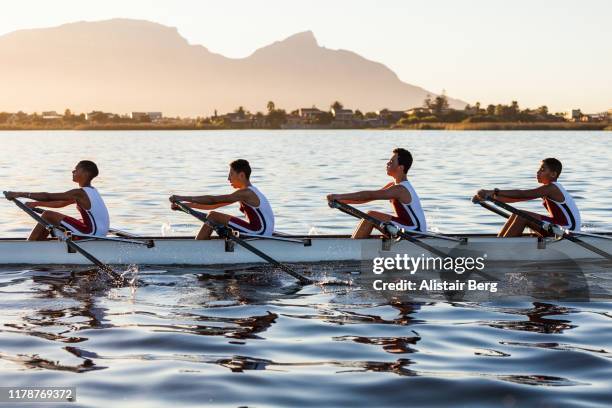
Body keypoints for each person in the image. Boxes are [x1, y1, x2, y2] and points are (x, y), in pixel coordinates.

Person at [326, 148, 427, 238]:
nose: (387, 163)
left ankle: (352, 247)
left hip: (415, 231)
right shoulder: (393, 185)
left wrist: (338, 196)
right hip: (406, 226)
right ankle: (354, 242)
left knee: (372, 216)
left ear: (401, 167)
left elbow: (369, 195)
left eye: (392, 162)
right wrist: (340, 202)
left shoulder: (400, 189)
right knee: (371, 216)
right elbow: (368, 199)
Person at [169, 159, 275, 240]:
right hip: (262, 232)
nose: (228, 178)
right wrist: (185, 206)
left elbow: (213, 200)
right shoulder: (247, 192)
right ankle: (201, 243)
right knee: (213, 215)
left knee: (213, 216)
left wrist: (181, 197)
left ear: (242, 175)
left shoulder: (247, 193)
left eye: (231, 174)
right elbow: (214, 205)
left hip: (259, 233)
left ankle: (197, 248)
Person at [475, 157, 581, 237]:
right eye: (539, 169)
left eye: (542, 170)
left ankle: (501, 246)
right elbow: (517, 199)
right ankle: (500, 241)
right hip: (560, 225)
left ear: (553, 174)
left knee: (522, 215)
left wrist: (493, 191)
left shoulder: (552, 188)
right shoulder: (546, 189)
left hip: (568, 230)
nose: (538, 172)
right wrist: (488, 198)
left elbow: (522, 193)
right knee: (517, 213)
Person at [5, 160, 110, 240]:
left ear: (85, 174)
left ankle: (29, 246)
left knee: (48, 215)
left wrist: (19, 194)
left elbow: (48, 196)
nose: (73, 171)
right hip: (99, 233)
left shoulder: (79, 193)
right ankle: (37, 244)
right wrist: (36, 204)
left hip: (92, 234)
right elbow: (61, 203)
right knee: (55, 218)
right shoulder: (92, 191)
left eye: (76, 169)